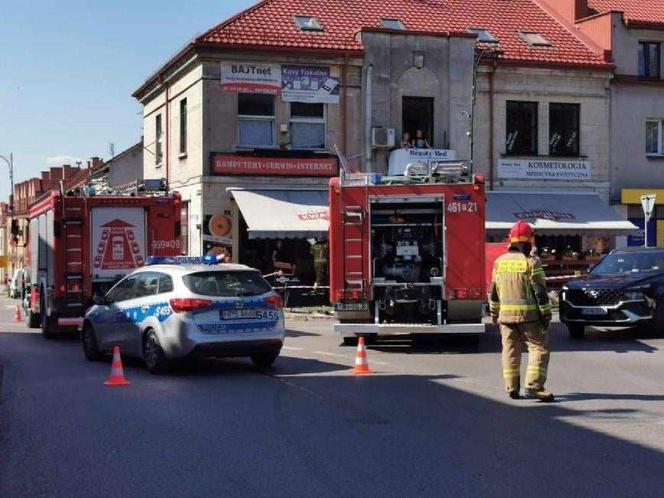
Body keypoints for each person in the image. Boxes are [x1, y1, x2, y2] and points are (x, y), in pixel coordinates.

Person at [489, 220, 554, 402]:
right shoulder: (532, 262)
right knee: (539, 348)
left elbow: (493, 293)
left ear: (510, 240)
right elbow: (540, 292)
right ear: (529, 241)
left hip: (505, 318)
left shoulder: (499, 262)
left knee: (509, 350)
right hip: (529, 317)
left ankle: (511, 387)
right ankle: (534, 387)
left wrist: (494, 314)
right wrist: (546, 314)